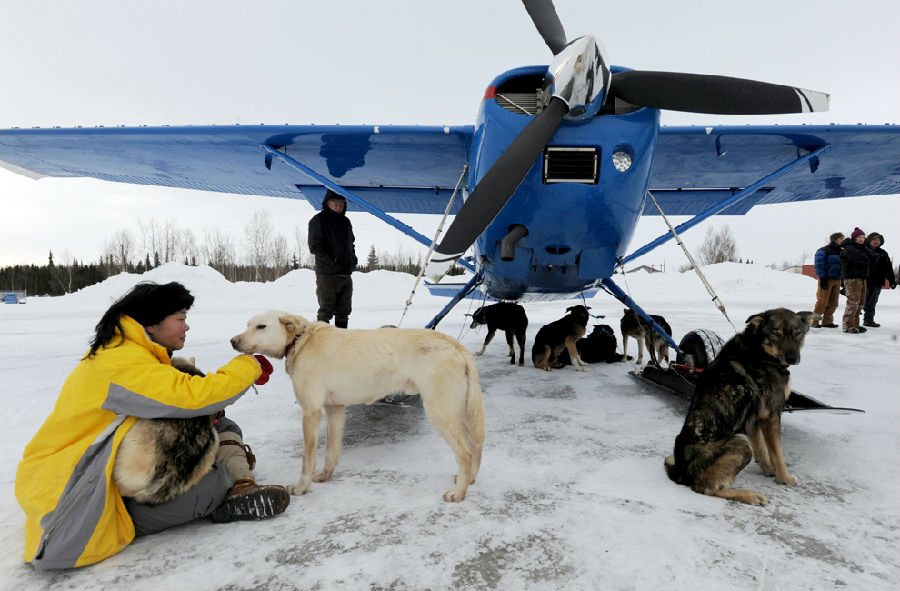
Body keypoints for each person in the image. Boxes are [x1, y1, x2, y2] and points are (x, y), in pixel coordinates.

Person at [15, 282, 288, 570]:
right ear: (151, 324)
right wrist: (249, 366)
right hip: (77, 501)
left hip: (101, 472)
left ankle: (236, 482)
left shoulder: (127, 352)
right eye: (181, 319)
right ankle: (223, 493)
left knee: (221, 424)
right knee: (214, 480)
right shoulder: (119, 363)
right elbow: (195, 396)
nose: (187, 327)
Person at [308, 190, 358, 328]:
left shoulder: (346, 222)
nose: (339, 207)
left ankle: (341, 342)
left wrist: (352, 260)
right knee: (326, 311)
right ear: (327, 203)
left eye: (341, 204)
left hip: (345, 273)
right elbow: (315, 246)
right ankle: (320, 342)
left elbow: (351, 244)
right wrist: (333, 261)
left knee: (344, 311)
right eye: (335, 204)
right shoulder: (318, 220)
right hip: (327, 274)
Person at [863, 231, 897, 327]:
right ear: (869, 240)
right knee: (860, 301)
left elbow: (888, 268)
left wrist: (892, 280)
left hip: (877, 282)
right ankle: (853, 321)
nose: (876, 241)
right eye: (874, 239)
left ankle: (868, 320)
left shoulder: (883, 253)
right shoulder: (863, 250)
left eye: (878, 240)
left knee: (872, 302)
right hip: (864, 280)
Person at [840, 227, 870, 334]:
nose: (862, 239)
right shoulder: (849, 248)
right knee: (853, 302)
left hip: (862, 278)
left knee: (860, 303)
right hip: (852, 278)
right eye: (859, 237)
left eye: (863, 237)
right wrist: (867, 257)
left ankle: (856, 324)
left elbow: (874, 258)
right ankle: (848, 325)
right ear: (854, 238)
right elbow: (860, 259)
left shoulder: (862, 248)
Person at [811, 232, 844, 328]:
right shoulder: (823, 251)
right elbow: (819, 265)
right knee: (822, 301)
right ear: (835, 239)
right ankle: (814, 321)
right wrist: (823, 277)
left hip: (837, 279)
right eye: (841, 238)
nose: (842, 240)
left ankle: (827, 321)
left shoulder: (842, 251)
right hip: (826, 279)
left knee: (834, 302)